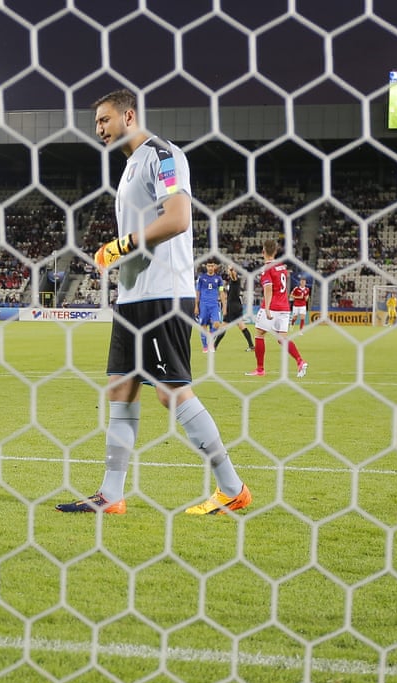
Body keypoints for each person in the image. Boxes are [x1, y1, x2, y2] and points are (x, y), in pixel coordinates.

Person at [56, 89, 251, 517]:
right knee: (120, 388)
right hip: (133, 297)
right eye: (96, 124)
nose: (99, 130)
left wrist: (122, 244)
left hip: (163, 293)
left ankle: (232, 487)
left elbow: (178, 217)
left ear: (129, 115)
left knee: (171, 393)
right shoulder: (129, 167)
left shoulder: (163, 155)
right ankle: (111, 495)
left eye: (105, 120)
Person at [247, 239, 307, 378]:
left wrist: (267, 308)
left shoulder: (266, 268)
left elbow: (268, 289)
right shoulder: (282, 267)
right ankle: (300, 361)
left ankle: (260, 369)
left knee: (259, 334)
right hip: (285, 307)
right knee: (282, 339)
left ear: (263, 251)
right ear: (275, 251)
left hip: (272, 306)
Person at [213, 263, 254, 352]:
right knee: (241, 326)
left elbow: (234, 276)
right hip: (236, 306)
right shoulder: (232, 281)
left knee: (223, 326)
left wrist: (231, 270)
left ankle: (214, 346)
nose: (227, 271)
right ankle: (251, 345)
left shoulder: (235, 279)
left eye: (229, 270)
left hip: (232, 307)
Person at [195, 261, 224, 353]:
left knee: (217, 324)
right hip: (203, 305)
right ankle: (205, 346)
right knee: (203, 325)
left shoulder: (218, 279)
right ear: (206, 267)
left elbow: (221, 292)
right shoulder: (201, 278)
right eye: (209, 266)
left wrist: (224, 305)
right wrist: (196, 305)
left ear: (215, 266)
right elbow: (198, 292)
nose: (210, 268)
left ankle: (210, 341)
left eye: (212, 266)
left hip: (214, 305)